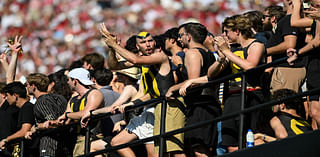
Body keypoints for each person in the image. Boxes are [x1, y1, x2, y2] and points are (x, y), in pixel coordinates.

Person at [101, 23, 185, 157]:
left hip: (170, 106)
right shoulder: (145, 63)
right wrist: (111, 48)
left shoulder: (160, 56)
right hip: (155, 108)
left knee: (174, 150)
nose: (148, 44)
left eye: (150, 41)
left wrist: (115, 45)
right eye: (143, 42)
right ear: (137, 46)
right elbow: (113, 65)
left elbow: (134, 60)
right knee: (118, 142)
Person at [166, 22, 220, 157]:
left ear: (188, 37)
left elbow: (193, 81)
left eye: (180, 36)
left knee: (199, 149)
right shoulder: (209, 53)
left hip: (200, 105)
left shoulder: (193, 53)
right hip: (207, 103)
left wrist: (172, 88)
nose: (178, 39)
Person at [214, 15, 266, 152]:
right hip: (232, 97)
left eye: (226, 31)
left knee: (253, 137)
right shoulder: (232, 50)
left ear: (237, 31)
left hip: (251, 95)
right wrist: (221, 57)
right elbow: (211, 74)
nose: (225, 35)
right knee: (231, 142)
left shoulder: (257, 45)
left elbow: (250, 66)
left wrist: (226, 51)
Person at [56, 67, 104, 156]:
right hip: (78, 140)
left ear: (75, 81)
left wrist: (67, 115)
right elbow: (65, 119)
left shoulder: (94, 93)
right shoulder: (73, 99)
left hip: (93, 138)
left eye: (68, 80)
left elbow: (86, 113)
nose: (67, 83)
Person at [24, 73, 71, 157]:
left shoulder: (41, 102)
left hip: (50, 147)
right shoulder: (60, 97)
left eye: (26, 84)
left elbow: (54, 122)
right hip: (67, 145)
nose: (26, 87)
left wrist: (36, 127)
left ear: (33, 86)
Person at [266, 0, 307, 94]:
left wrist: (266, 51)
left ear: (289, 1)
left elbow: (289, 44)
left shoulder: (289, 19)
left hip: (288, 69)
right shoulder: (288, 19)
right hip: (286, 69)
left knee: (285, 106)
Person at [0, 82, 35, 155]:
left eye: (7, 95)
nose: (6, 98)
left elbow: (25, 130)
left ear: (15, 95)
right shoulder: (21, 109)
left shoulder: (27, 108)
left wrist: (6, 140)